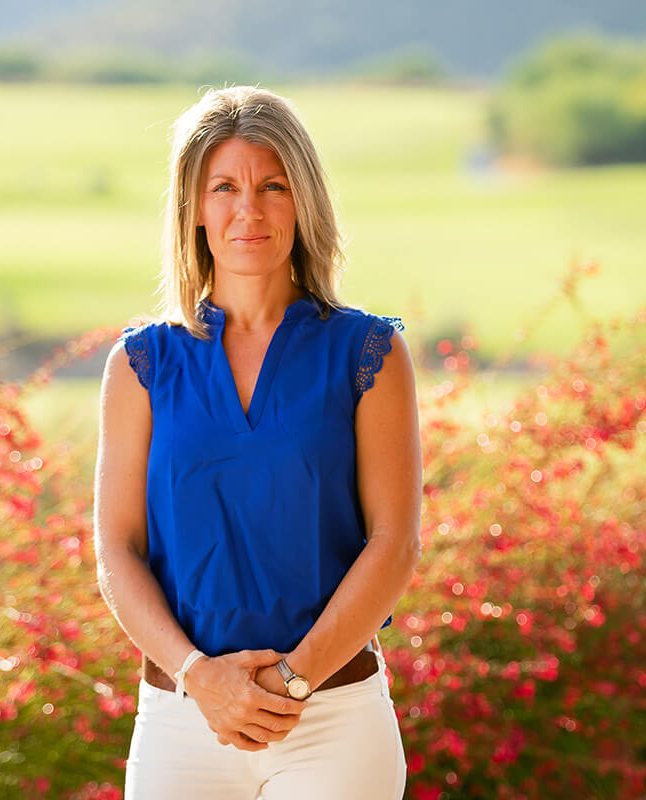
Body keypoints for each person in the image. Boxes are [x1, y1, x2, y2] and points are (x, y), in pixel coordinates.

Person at [94, 85, 423, 800]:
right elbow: (116, 551)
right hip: (184, 719)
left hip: (334, 719)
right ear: (194, 208)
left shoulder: (368, 353)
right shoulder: (142, 366)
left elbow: (394, 543)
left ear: (303, 201)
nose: (250, 209)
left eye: (273, 186)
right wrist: (198, 676)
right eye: (225, 187)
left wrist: (293, 678)